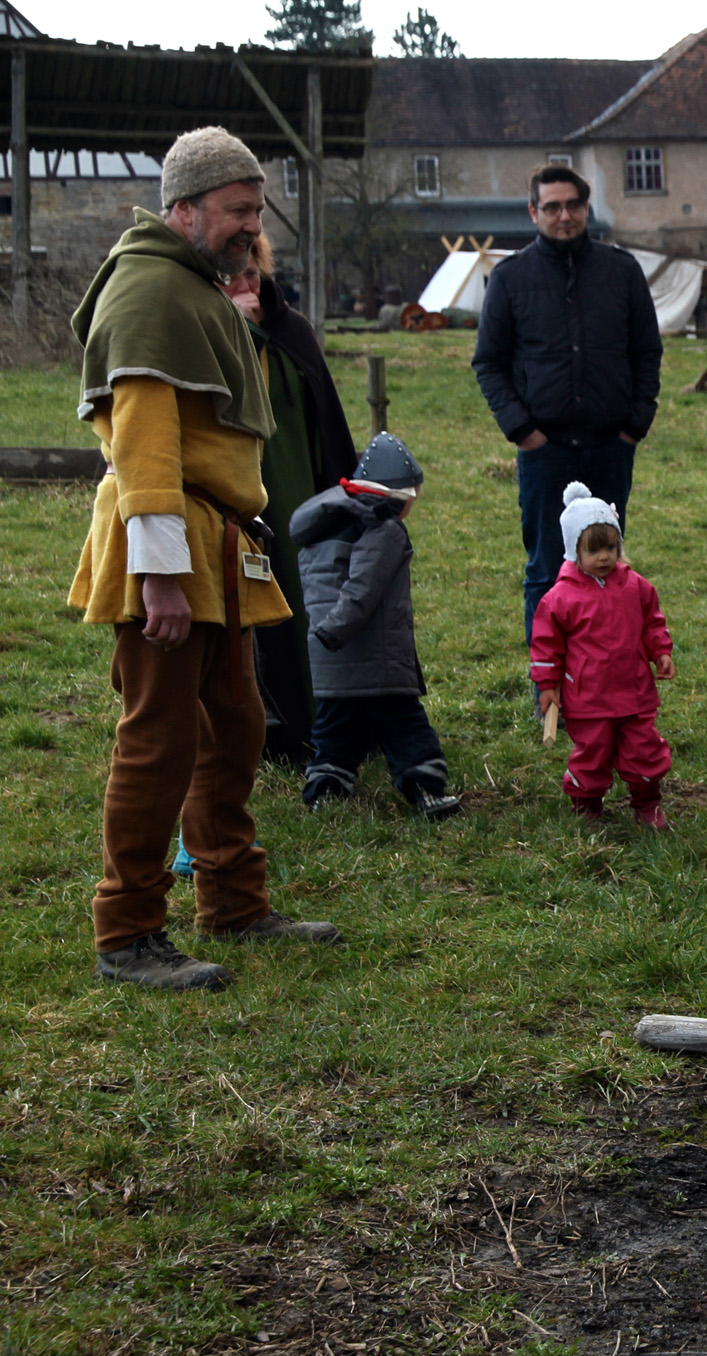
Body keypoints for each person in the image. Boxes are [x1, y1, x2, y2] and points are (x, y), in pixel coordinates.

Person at [67, 126, 341, 992]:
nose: (251, 227)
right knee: (160, 739)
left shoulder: (191, 286)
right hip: (170, 542)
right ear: (183, 209)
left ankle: (232, 899)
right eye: (236, 210)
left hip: (217, 538)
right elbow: (144, 446)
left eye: (257, 211)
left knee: (235, 725)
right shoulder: (151, 292)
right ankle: (127, 931)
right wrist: (160, 576)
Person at [473, 163, 664, 641]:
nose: (564, 216)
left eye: (573, 205)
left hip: (611, 445)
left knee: (607, 563)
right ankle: (549, 674)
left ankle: (605, 665)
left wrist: (635, 424)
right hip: (546, 450)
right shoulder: (510, 278)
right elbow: (489, 362)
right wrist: (522, 430)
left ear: (586, 208)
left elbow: (647, 351)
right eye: (553, 207)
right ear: (533, 212)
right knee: (546, 568)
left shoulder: (622, 272)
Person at [224, 233, 360, 766]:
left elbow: (324, 421)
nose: (246, 285)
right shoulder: (205, 333)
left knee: (307, 598)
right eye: (232, 276)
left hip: (295, 488)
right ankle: (259, 729)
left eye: (252, 273)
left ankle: (320, 721)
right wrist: (235, 331)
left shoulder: (292, 329)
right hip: (235, 492)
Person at [289, 433, 462, 820]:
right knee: (406, 728)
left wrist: (326, 636)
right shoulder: (385, 529)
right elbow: (362, 589)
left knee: (333, 731)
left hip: (329, 660)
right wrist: (336, 628)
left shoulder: (325, 523)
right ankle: (426, 790)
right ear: (401, 495)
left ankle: (325, 793)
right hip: (375, 658)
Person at [531, 484, 676, 828]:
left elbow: (652, 622)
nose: (604, 557)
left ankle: (647, 802)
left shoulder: (636, 586)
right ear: (574, 551)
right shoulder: (559, 598)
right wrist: (547, 685)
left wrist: (660, 651)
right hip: (588, 698)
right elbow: (546, 645)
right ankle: (587, 805)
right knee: (591, 754)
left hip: (634, 691)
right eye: (593, 550)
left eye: (611, 548)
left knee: (644, 749)